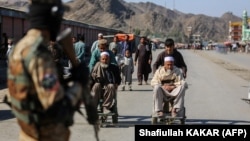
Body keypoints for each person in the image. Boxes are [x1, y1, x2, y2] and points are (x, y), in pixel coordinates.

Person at [5, 0, 98, 140]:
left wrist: (67, 82)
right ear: (53, 19)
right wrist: (78, 84)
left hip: (28, 133)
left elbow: (36, 91)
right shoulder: (39, 55)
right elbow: (57, 108)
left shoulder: (20, 47)